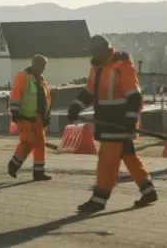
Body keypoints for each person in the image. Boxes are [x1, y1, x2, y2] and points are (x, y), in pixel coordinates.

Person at [67, 35, 157, 213]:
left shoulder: (121, 66)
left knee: (107, 161)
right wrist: (76, 107)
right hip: (106, 122)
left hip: (118, 122)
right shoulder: (96, 68)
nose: (93, 54)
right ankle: (148, 191)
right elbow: (89, 92)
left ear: (105, 49)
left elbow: (135, 96)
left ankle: (99, 199)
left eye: (95, 51)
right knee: (129, 156)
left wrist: (130, 120)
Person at [7, 54, 53, 181]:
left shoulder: (41, 80)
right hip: (24, 117)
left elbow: (46, 99)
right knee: (28, 142)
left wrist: (46, 116)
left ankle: (39, 172)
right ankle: (13, 165)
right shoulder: (23, 76)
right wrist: (15, 113)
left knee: (40, 144)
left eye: (45, 67)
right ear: (35, 64)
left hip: (38, 118)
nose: (43, 69)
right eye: (42, 66)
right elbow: (16, 94)